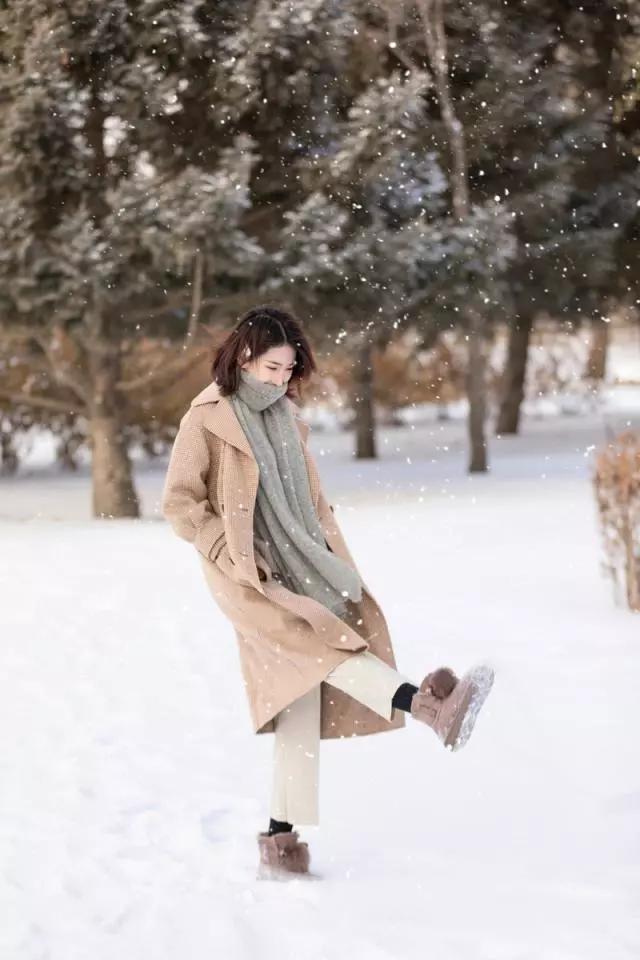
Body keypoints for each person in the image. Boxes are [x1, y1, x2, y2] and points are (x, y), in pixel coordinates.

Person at [161, 304, 494, 880]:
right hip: (250, 578)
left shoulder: (286, 416)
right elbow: (179, 504)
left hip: (302, 565)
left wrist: (320, 550)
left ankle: (280, 841)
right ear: (244, 357)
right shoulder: (206, 419)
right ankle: (427, 706)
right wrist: (227, 549)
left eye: (289, 368)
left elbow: (304, 499)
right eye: (271, 367)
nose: (281, 378)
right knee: (326, 650)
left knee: (296, 698)